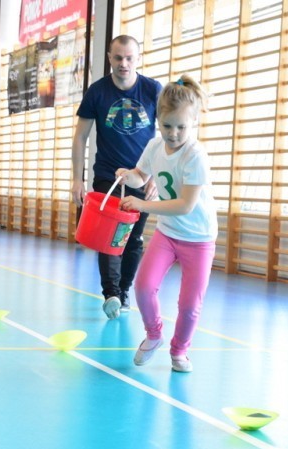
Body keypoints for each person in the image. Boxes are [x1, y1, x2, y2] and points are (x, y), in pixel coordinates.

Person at [115, 75, 217, 373]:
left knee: (189, 304)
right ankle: (154, 334)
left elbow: (184, 205)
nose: (173, 134)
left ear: (194, 122)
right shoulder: (154, 146)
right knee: (144, 286)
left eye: (181, 127)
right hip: (168, 234)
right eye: (166, 126)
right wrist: (128, 176)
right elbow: (141, 176)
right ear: (157, 120)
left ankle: (179, 351)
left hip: (198, 239)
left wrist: (143, 205)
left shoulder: (195, 156)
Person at [72, 35, 163, 319]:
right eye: (118, 57)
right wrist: (77, 178)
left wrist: (156, 177)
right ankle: (110, 292)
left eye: (129, 58)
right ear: (109, 58)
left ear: (138, 58)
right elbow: (80, 137)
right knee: (109, 237)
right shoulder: (97, 92)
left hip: (142, 177)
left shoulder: (152, 90)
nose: (124, 63)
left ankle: (123, 291)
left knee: (133, 239)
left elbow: (167, 137)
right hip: (108, 177)